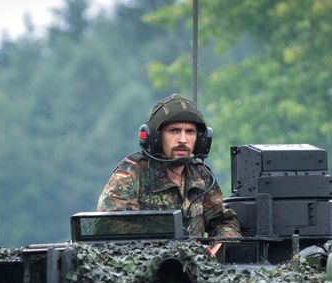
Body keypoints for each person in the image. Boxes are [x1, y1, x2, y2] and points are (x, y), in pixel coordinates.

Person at [97, 94, 241, 238]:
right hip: (144, 259)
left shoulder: (200, 175)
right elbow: (111, 224)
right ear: (156, 137)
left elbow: (224, 221)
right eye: (174, 131)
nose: (183, 140)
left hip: (195, 260)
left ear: (201, 140)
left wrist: (222, 243)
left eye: (190, 132)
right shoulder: (133, 172)